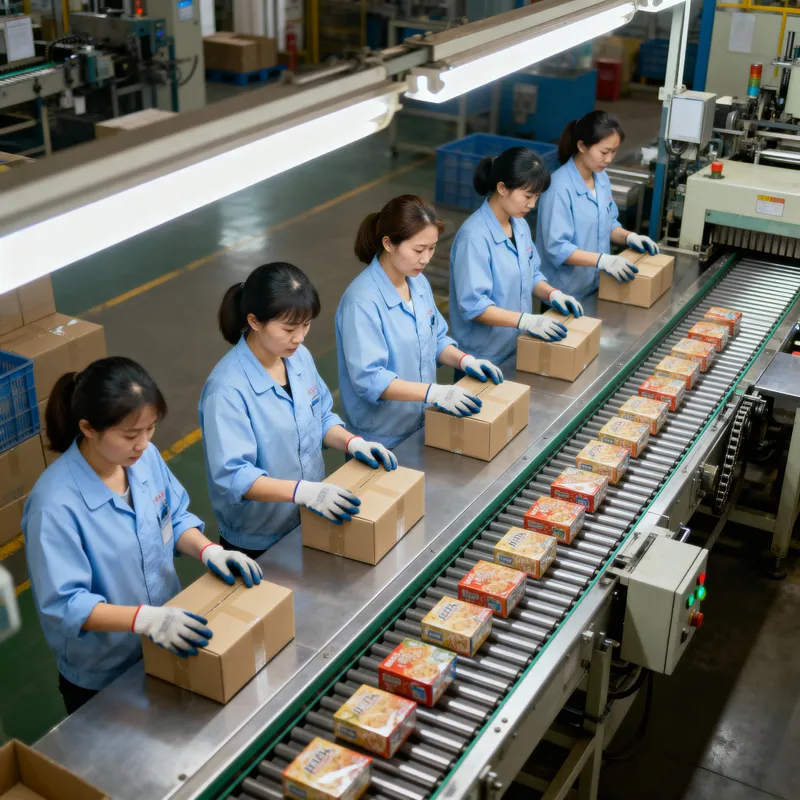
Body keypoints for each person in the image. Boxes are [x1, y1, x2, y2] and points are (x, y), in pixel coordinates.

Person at [22, 357, 263, 714]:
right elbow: (66, 605)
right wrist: (144, 620)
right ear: (88, 428)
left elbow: (174, 516)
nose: (144, 443)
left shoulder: (144, 458)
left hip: (168, 635)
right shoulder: (54, 505)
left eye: (150, 429)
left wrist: (210, 551)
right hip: (105, 672)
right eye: (131, 435)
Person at [200, 262, 397, 558]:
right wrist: (303, 492)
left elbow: (321, 417)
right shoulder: (226, 390)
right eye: (289, 328)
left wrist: (351, 442)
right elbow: (234, 477)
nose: (300, 337)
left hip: (308, 514)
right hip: (258, 539)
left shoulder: (297, 357)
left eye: (306, 325)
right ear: (254, 321)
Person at [335, 195, 504, 450]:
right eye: (418, 250)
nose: (425, 259)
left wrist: (464, 360)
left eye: (432, 248)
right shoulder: (361, 302)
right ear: (389, 243)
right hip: (382, 438)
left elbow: (435, 338)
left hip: (422, 424)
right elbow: (370, 379)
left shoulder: (418, 282)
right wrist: (432, 393)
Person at [449, 147, 584, 368]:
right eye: (528, 196)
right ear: (502, 188)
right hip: (483, 358)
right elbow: (475, 307)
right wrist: (525, 320)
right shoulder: (474, 238)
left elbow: (531, 274)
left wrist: (553, 294)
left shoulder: (518, 225)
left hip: (516, 345)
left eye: (537, 196)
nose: (532, 204)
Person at [536, 110, 660, 299]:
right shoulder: (559, 189)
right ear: (582, 146)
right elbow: (557, 248)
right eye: (604, 152)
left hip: (595, 285)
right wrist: (602, 260)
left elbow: (608, 224)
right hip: (564, 294)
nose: (609, 159)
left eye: (614, 151)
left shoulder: (601, 178)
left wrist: (629, 237)